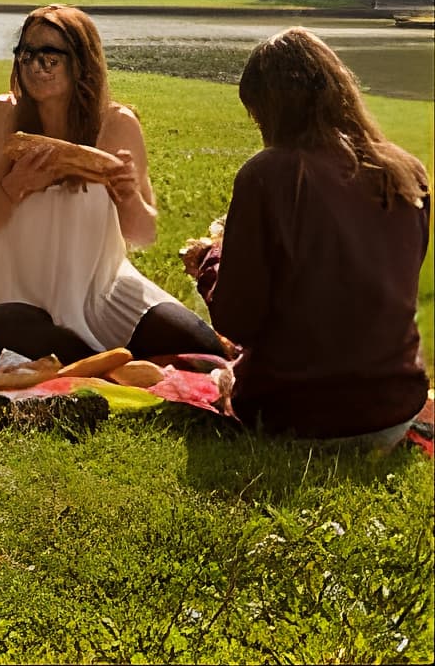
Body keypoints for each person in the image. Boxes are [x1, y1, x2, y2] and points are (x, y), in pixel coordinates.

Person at [184, 28, 430, 446]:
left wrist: (211, 261)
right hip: (393, 410)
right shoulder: (407, 172)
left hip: (297, 416)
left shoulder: (268, 175)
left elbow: (237, 319)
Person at [0, 4, 223, 362]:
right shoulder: (0, 115)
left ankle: (99, 358)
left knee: (201, 346)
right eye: (27, 54)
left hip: (103, 290)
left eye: (50, 56)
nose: (36, 66)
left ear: (82, 61)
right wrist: (15, 185)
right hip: (20, 295)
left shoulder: (117, 124)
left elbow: (143, 232)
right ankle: (103, 360)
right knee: (4, 327)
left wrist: (127, 194)